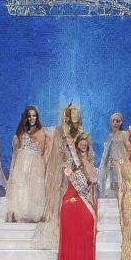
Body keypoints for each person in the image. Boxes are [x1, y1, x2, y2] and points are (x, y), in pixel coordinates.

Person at [45, 131, 98, 260]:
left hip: (86, 209)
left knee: (84, 254)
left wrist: (84, 160)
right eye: (80, 142)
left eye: (86, 142)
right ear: (75, 146)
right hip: (70, 207)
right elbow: (65, 182)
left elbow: (92, 181)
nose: (83, 144)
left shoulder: (90, 164)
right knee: (71, 254)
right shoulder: (68, 163)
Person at [33, 104, 83, 249]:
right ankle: (60, 233)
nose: (74, 117)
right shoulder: (60, 131)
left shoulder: (80, 131)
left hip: (76, 169)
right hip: (63, 170)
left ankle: (73, 232)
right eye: (71, 114)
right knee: (60, 198)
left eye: (76, 115)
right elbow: (57, 152)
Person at [6, 105, 49, 222]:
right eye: (29, 116)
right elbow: (16, 151)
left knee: (35, 187)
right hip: (22, 163)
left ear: (37, 117)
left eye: (34, 116)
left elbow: (45, 151)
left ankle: (36, 214)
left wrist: (44, 166)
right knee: (21, 187)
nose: (32, 118)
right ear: (26, 117)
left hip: (36, 164)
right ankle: (19, 213)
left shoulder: (42, 131)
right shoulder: (21, 132)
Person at [97, 112, 126, 200]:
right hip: (112, 166)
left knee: (122, 188)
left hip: (122, 165)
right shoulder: (109, 136)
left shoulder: (124, 134)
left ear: (121, 122)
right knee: (112, 189)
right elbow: (106, 153)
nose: (115, 123)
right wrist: (103, 167)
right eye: (113, 121)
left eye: (117, 121)